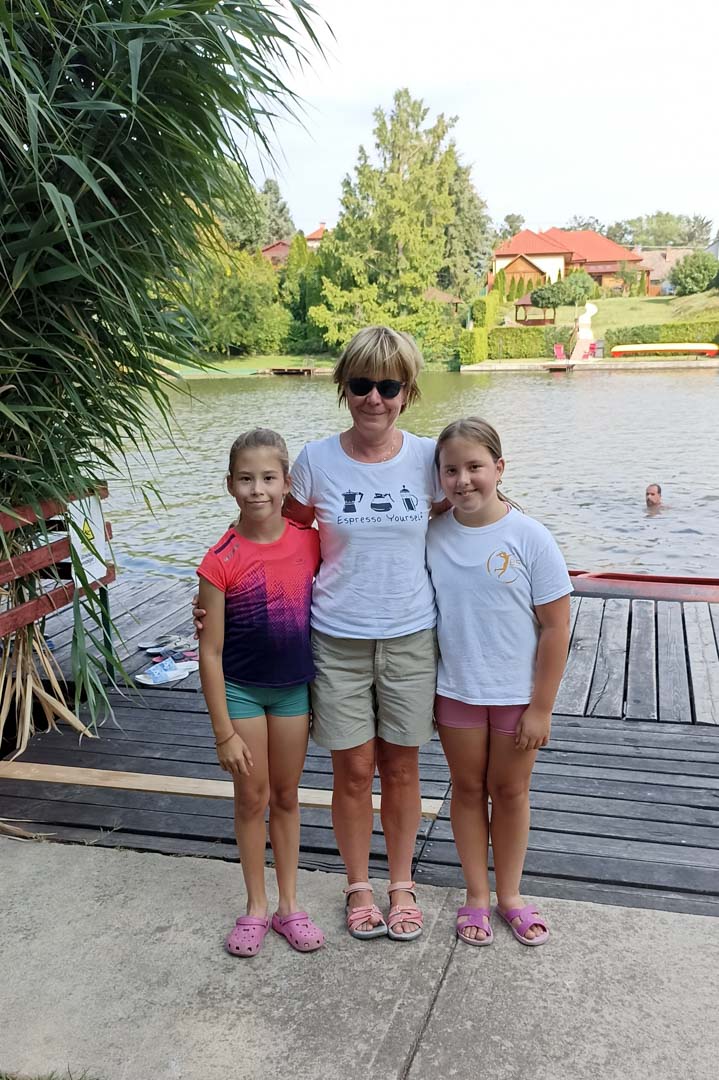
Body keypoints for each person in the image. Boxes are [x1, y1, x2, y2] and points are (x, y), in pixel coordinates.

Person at [196, 327, 446, 941]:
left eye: (388, 385)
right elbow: (275, 531)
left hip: (411, 634)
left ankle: (402, 884)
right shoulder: (313, 462)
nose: (374, 398)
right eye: (361, 384)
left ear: (408, 392)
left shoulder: (428, 458)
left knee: (402, 768)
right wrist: (217, 593)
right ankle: (358, 885)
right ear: (344, 388)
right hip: (336, 638)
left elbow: (471, 505)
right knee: (354, 769)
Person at [426, 417, 572, 947]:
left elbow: (556, 627)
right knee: (467, 790)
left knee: (509, 791)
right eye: (451, 470)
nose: (463, 480)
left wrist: (542, 707)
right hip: (458, 691)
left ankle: (509, 895)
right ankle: (476, 895)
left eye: (475, 467)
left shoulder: (529, 536)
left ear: (499, 468)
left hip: (516, 697)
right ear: (439, 476)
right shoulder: (432, 535)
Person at [197, 428, 325, 958]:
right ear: (230, 485)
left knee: (287, 796)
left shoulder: (310, 542)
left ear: (286, 482)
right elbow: (209, 652)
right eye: (246, 479)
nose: (258, 490)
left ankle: (288, 905)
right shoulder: (220, 560)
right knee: (252, 797)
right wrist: (223, 732)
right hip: (242, 692)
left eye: (268, 478)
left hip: (293, 690)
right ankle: (255, 905)